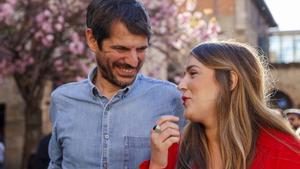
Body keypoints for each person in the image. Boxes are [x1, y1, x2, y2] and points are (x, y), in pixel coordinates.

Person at [48, 0, 185, 168]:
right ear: (92, 39)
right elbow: (56, 163)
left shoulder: (170, 99)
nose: (133, 61)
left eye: (141, 49)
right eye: (121, 49)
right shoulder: (62, 100)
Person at [140, 41, 300, 169]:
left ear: (230, 81)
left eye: (193, 73)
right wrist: (158, 165)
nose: (181, 84)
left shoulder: (285, 153)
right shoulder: (174, 152)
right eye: (183, 75)